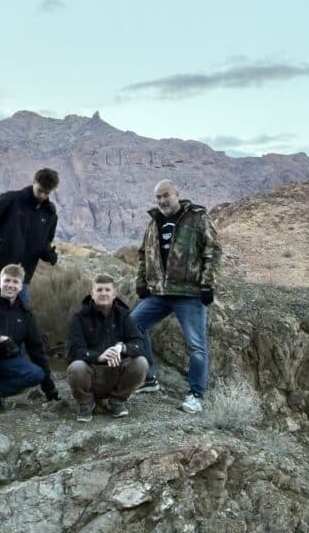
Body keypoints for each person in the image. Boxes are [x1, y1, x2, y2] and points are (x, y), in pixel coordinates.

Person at [130, 179, 222, 414]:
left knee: (196, 346)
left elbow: (212, 251)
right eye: (158, 197)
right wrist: (141, 282)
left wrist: (208, 285)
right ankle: (149, 379)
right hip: (160, 293)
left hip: (189, 294)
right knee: (133, 325)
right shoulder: (154, 221)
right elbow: (144, 254)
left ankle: (195, 395)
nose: (162, 201)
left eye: (166, 195)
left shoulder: (197, 218)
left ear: (177, 194)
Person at [0, 263, 59, 419]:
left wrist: (49, 387)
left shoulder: (26, 315)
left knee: (37, 373)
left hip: (3, 366)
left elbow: (36, 350)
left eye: (15, 282)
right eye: (7, 280)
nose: (10, 285)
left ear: (21, 286)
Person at [66, 274, 148, 422]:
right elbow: (74, 349)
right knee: (76, 367)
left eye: (107, 290)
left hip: (116, 372)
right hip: (90, 374)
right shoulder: (79, 317)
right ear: (92, 294)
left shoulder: (124, 316)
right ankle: (86, 403)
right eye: (99, 290)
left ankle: (116, 401)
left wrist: (122, 348)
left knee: (141, 363)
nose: (103, 293)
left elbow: (139, 343)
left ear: (114, 293)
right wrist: (99, 356)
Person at [0, 168, 60, 304]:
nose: (42, 196)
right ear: (34, 182)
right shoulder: (11, 199)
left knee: (20, 310)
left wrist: (48, 253)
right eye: (40, 190)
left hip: (23, 272)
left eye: (46, 193)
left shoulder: (50, 214)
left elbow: (45, 241)